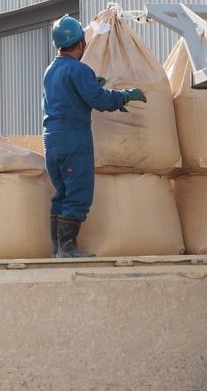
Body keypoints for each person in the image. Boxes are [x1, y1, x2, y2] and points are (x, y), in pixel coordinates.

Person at [43, 15, 146, 258]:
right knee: (78, 193)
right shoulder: (79, 70)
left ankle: (58, 250)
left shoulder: (51, 70)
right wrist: (124, 96)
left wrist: (91, 85)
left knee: (61, 193)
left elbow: (68, 96)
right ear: (80, 44)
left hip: (51, 139)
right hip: (73, 139)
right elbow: (99, 100)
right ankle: (68, 249)